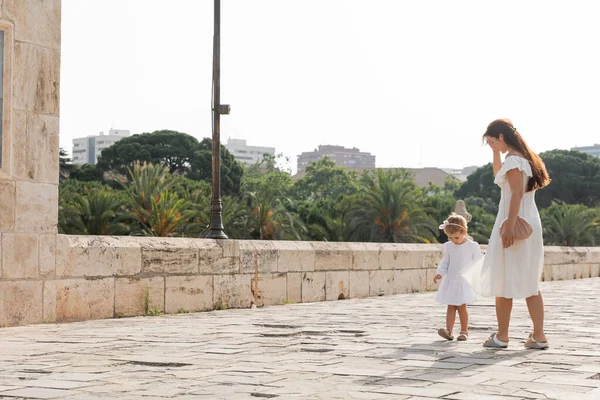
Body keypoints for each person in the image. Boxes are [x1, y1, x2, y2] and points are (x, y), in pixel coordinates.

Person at [464, 118, 551, 349]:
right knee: (529, 280)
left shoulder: (514, 160)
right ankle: (539, 335)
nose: (493, 146)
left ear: (501, 137)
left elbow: (514, 195)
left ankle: (502, 335)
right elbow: (499, 179)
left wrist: (509, 227)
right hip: (529, 223)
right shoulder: (522, 159)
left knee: (502, 278)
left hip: (515, 222)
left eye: (493, 142)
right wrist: (495, 154)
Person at [434, 214, 481, 341]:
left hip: (463, 281)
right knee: (450, 306)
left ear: (464, 232)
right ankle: (448, 330)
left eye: (456, 237)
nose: (454, 240)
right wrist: (440, 273)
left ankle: (464, 331)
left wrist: (477, 277)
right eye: (450, 237)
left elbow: (478, 262)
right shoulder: (448, 246)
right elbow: (445, 261)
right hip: (451, 280)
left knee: (461, 306)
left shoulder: (472, 246)